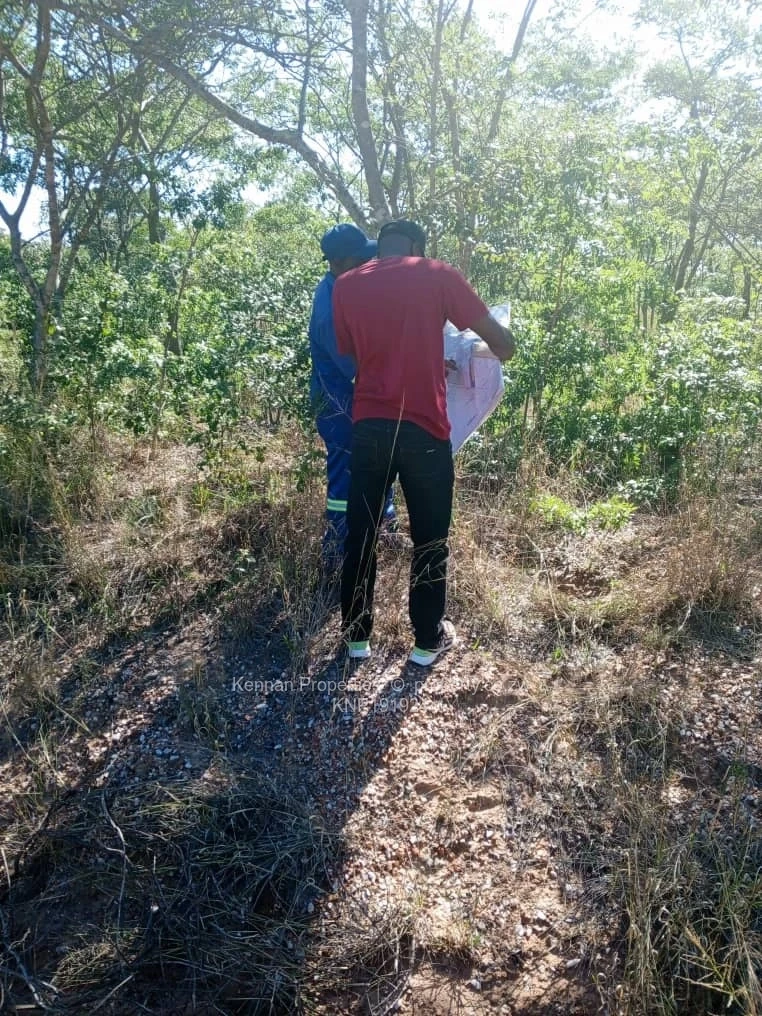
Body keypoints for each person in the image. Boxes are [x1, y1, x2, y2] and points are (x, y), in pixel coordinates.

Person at [332, 219, 515, 665]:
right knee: (430, 538)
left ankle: (356, 639)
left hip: (369, 427)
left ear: (382, 247)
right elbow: (503, 345)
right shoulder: (437, 274)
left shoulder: (346, 285)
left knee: (362, 534)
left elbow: (357, 354)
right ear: (417, 247)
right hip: (424, 430)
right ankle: (426, 643)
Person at [308, 223, 397, 575]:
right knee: (345, 477)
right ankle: (338, 551)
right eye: (359, 260)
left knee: (382, 463)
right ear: (338, 263)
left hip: (365, 402)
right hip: (339, 406)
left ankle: (384, 529)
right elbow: (357, 365)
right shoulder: (329, 311)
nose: (367, 265)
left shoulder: (349, 289)